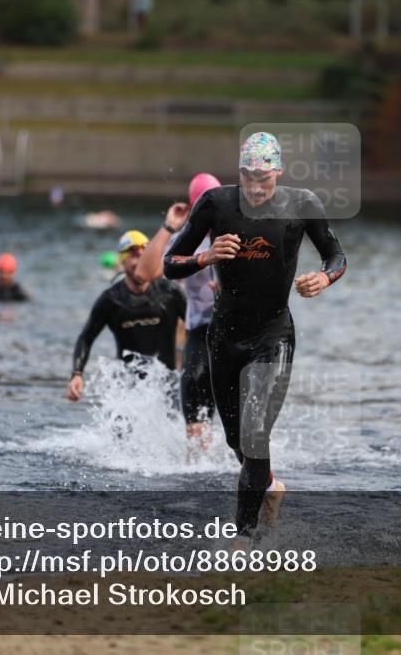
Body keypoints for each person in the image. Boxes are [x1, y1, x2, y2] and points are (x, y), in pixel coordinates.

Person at [163, 132, 347, 544]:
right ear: (239, 173)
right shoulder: (215, 204)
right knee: (236, 440)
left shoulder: (303, 205)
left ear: (278, 171)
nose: (256, 186)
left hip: (273, 334)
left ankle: (244, 537)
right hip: (224, 335)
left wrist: (324, 277)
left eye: (264, 177)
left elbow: (336, 256)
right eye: (248, 176)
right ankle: (270, 487)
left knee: (254, 431)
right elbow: (169, 263)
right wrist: (205, 257)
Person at [136, 173, 222, 451]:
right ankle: (199, 467)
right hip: (200, 331)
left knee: (240, 417)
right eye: (204, 206)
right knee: (195, 404)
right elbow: (145, 273)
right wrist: (169, 226)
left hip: (236, 332)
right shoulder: (188, 239)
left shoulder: (238, 231)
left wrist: (230, 287)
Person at [66, 230, 187, 404]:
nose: (139, 258)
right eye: (132, 253)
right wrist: (77, 374)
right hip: (128, 389)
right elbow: (86, 338)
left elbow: (199, 328)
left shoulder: (170, 292)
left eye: (144, 253)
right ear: (121, 261)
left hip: (167, 385)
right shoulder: (111, 299)